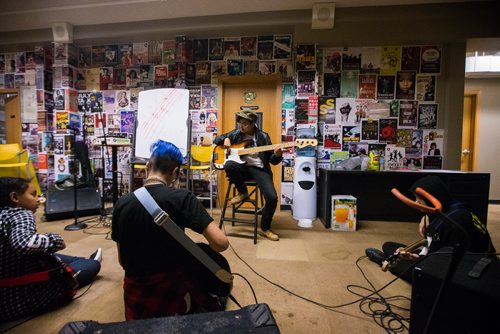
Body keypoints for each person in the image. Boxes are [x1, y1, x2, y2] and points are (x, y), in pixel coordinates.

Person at [112, 140, 229, 320]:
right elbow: (221, 243)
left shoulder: (122, 203)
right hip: (170, 287)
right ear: (175, 173)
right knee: (207, 261)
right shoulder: (182, 198)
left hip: (135, 291)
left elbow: (122, 261)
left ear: (147, 167)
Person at [0, 177, 102, 321]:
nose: (39, 199)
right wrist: (54, 239)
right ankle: (87, 262)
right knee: (91, 265)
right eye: (33, 194)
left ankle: (71, 261)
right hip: (16, 299)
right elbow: (23, 243)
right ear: (15, 197)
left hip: (6, 287)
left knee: (54, 255)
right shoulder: (20, 213)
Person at [365, 175, 496, 283]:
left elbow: (436, 260)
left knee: (413, 271)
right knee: (389, 245)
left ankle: (384, 261)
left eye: (419, 199)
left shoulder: (450, 223)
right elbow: (430, 247)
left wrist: (416, 258)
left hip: (468, 270)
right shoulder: (456, 208)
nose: (416, 203)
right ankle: (391, 258)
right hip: (443, 252)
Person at [214, 110, 283, 241]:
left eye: (245, 124)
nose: (241, 126)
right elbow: (217, 140)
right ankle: (242, 192)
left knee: (272, 198)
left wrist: (278, 154)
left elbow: (272, 160)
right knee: (229, 165)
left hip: (260, 169)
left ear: (253, 124)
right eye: (240, 123)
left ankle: (265, 228)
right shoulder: (236, 133)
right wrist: (226, 139)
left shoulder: (263, 136)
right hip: (242, 169)